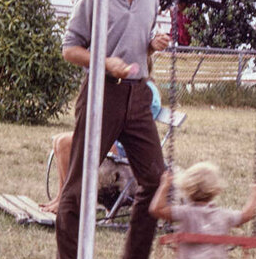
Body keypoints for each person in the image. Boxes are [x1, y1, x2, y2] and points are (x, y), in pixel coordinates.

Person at [53, 0, 172, 259]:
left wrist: (154, 44)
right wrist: (104, 62)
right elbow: (70, 49)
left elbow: (140, 42)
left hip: (138, 96)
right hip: (102, 92)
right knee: (80, 179)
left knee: (156, 179)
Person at [39, 82, 171, 215]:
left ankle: (69, 200)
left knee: (64, 143)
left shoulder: (145, 89)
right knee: (59, 140)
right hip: (111, 137)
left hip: (122, 146)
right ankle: (61, 195)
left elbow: (133, 123)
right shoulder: (128, 84)